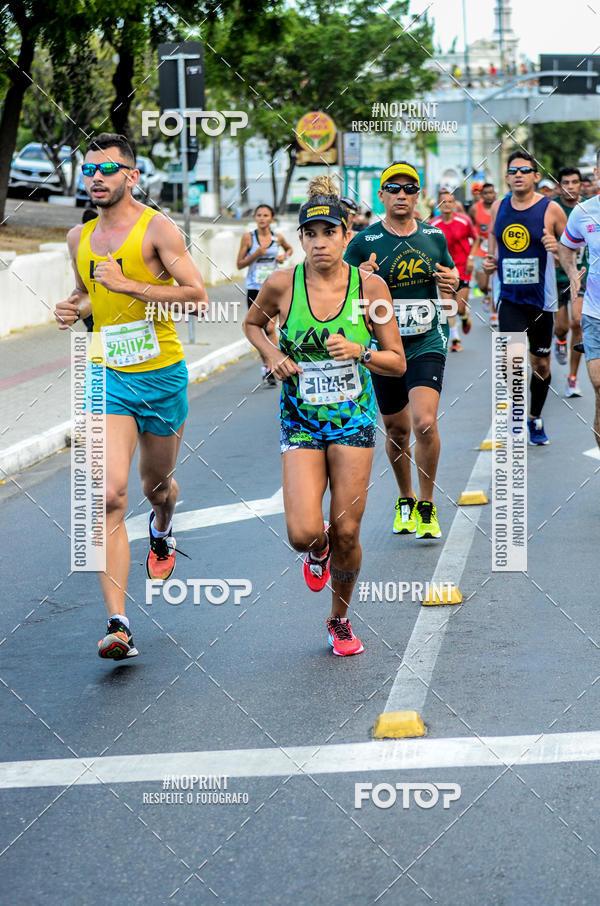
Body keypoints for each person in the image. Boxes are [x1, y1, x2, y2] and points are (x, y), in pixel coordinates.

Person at [54, 132, 209, 660]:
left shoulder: (157, 230)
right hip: (106, 374)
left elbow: (197, 296)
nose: (96, 178)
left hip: (161, 376)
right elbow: (86, 295)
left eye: (107, 170)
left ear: (132, 176)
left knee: (156, 487)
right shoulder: (78, 238)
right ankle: (118, 622)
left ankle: (162, 527)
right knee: (107, 496)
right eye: (89, 171)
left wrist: (129, 287)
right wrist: (73, 307)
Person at [243, 176, 405, 656]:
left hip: (353, 420)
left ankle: (339, 619)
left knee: (349, 530)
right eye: (310, 234)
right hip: (301, 420)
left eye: (328, 232)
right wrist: (271, 354)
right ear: (301, 239)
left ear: (346, 235)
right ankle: (318, 551)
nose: (319, 242)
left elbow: (396, 359)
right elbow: (252, 325)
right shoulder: (280, 284)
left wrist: (361, 350)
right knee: (303, 533)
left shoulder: (369, 286)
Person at [345, 160, 459, 540]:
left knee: (424, 422)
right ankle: (405, 499)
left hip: (427, 337)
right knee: (396, 430)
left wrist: (452, 282)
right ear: (381, 195)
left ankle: (426, 505)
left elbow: (451, 280)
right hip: (384, 346)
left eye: (410, 188)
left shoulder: (434, 236)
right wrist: (362, 279)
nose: (402, 194)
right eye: (393, 188)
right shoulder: (364, 242)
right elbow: (340, 291)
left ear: (418, 195)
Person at [484, 150, 567, 445]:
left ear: (535, 176)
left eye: (524, 170)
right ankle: (517, 413)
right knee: (511, 359)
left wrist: (555, 247)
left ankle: (535, 417)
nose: (518, 174)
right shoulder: (498, 207)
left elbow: (570, 252)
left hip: (542, 300)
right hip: (509, 297)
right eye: (513, 170)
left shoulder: (551, 210)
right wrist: (489, 261)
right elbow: (492, 245)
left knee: (541, 365)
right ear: (507, 177)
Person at [559, 149, 600, 447]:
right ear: (597, 174)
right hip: (595, 314)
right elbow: (566, 248)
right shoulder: (584, 212)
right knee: (599, 387)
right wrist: (573, 273)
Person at [236, 204, 293, 386]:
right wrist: (256, 255)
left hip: (272, 289)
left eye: (265, 215)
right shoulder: (248, 238)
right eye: (259, 215)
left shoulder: (278, 238)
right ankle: (266, 364)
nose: (262, 218)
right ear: (255, 218)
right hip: (254, 288)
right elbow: (239, 264)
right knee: (258, 328)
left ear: (271, 218)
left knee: (269, 328)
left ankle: (273, 364)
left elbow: (289, 249)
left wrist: (284, 256)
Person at [430, 189, 480, 351]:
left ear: (454, 204)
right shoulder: (433, 224)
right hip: (444, 269)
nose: (446, 205)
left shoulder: (464, 221)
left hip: (462, 267)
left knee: (458, 308)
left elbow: (476, 238)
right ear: (439, 204)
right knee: (447, 306)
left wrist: (471, 258)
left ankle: (465, 316)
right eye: (443, 202)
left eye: (450, 202)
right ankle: (455, 339)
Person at [553, 167, 587, 396]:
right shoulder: (552, 209)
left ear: (581, 184)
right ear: (560, 185)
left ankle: (572, 378)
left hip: (581, 275)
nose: (571, 186)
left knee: (577, 323)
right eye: (566, 182)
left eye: (575, 182)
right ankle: (560, 341)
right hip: (556, 277)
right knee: (561, 327)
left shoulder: (589, 208)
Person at [468, 182, 497, 321]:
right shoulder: (475, 209)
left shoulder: (500, 207)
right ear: (481, 195)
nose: (489, 195)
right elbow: (470, 224)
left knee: (495, 283)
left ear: (495, 193)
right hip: (481, 248)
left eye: (491, 192)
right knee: (483, 285)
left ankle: (495, 313)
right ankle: (486, 296)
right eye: (486, 193)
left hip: (496, 248)